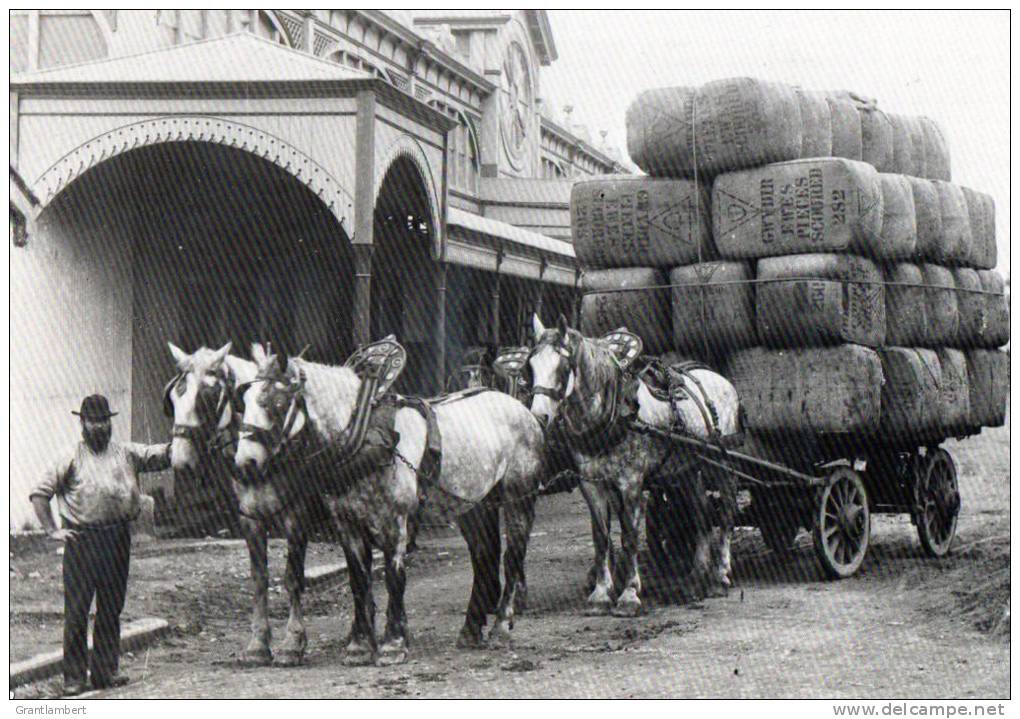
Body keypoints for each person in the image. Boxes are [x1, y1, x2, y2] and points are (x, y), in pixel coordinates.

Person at [30, 395, 171, 696]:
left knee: (111, 608)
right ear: (82, 423)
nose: (99, 427)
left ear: (110, 422)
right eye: (93, 421)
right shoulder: (69, 455)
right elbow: (40, 494)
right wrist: (52, 531)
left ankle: (105, 672)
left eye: (104, 421)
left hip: (117, 539)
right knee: (78, 610)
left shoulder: (125, 452)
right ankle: (74, 678)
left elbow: (157, 455)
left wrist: (184, 440)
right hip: (82, 541)